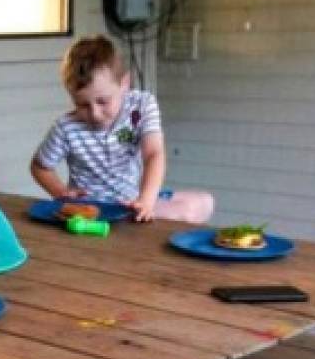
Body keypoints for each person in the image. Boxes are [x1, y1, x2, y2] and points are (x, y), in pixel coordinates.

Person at [30, 35, 213, 223]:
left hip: (132, 201)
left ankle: (141, 211)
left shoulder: (141, 105)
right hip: (95, 209)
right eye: (82, 105)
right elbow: (40, 166)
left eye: (103, 101)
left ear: (124, 83)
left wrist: (146, 200)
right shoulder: (66, 128)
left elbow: (153, 154)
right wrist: (61, 192)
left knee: (205, 202)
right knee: (187, 213)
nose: (95, 113)